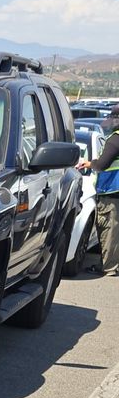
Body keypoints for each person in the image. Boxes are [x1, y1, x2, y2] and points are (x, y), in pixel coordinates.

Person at [77, 111, 119, 276]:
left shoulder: (115, 138)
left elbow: (102, 164)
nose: (109, 120)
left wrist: (88, 163)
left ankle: (108, 266)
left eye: (112, 117)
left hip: (111, 190)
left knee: (108, 229)